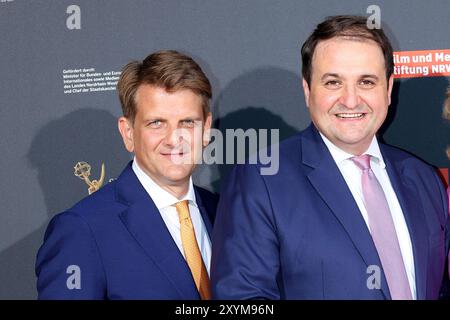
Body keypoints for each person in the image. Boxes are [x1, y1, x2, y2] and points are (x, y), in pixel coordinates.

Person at [211, 15, 449, 299]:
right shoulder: (262, 180)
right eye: (333, 82)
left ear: (388, 89)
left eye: (366, 82)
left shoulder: (423, 179)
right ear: (307, 89)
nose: (350, 100)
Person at [36, 50, 218, 299]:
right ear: (128, 133)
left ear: (206, 129)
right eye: (157, 123)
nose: (174, 139)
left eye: (187, 122)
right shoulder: (82, 230)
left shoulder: (224, 213)